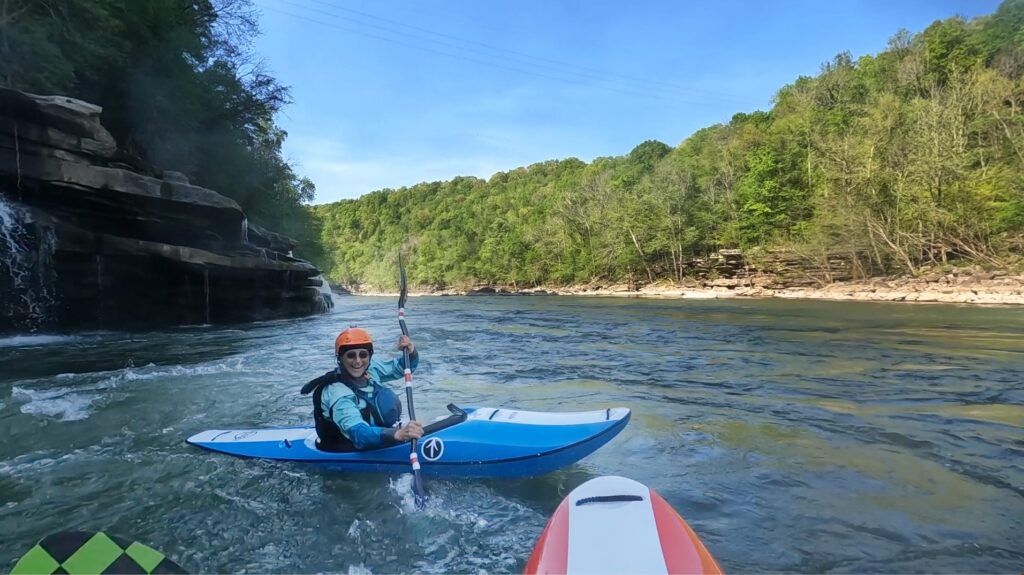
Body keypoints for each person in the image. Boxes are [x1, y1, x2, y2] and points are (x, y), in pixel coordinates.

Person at [300, 326, 424, 451]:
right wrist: (397, 434)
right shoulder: (337, 392)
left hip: (377, 438)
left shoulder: (370, 370)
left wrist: (411, 351)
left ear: (369, 357)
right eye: (351, 356)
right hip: (347, 448)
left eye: (363, 355)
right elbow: (358, 433)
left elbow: (403, 368)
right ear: (340, 358)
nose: (358, 361)